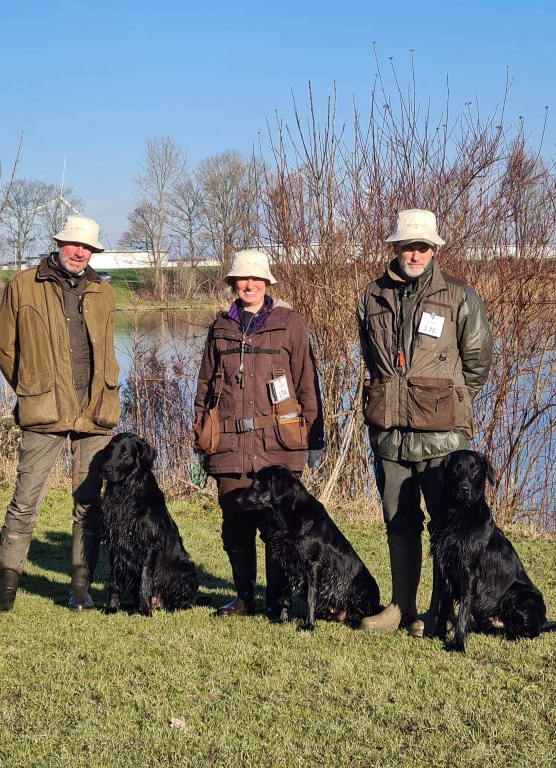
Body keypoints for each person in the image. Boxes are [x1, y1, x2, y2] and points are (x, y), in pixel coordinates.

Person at [357, 209, 493, 635]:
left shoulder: (460, 296)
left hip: (443, 439)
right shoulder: (372, 296)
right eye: (407, 247)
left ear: (434, 250)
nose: (414, 254)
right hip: (390, 432)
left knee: (446, 525)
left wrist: (447, 402)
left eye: (422, 247)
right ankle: (401, 606)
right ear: (395, 248)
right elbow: (371, 358)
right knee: (398, 520)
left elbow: (478, 364)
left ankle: (439, 611)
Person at [0, 214, 121, 615]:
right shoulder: (23, 285)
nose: (80, 252)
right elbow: (3, 348)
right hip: (44, 410)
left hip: (95, 411)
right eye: (74, 244)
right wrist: (32, 387)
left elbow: (106, 349)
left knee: (89, 505)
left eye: (88, 247)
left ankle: (80, 591)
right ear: (60, 244)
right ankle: (5, 592)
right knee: (25, 502)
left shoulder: (104, 292)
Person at [193, 249, 325, 619]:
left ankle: (278, 602)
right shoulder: (220, 327)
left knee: (278, 527)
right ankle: (243, 599)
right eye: (242, 279)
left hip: (279, 446)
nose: (249, 285)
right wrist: (201, 439)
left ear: (267, 283)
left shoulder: (290, 323)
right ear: (233, 283)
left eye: (256, 279)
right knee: (235, 526)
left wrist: (315, 439)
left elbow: (307, 382)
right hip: (229, 447)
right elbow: (204, 386)